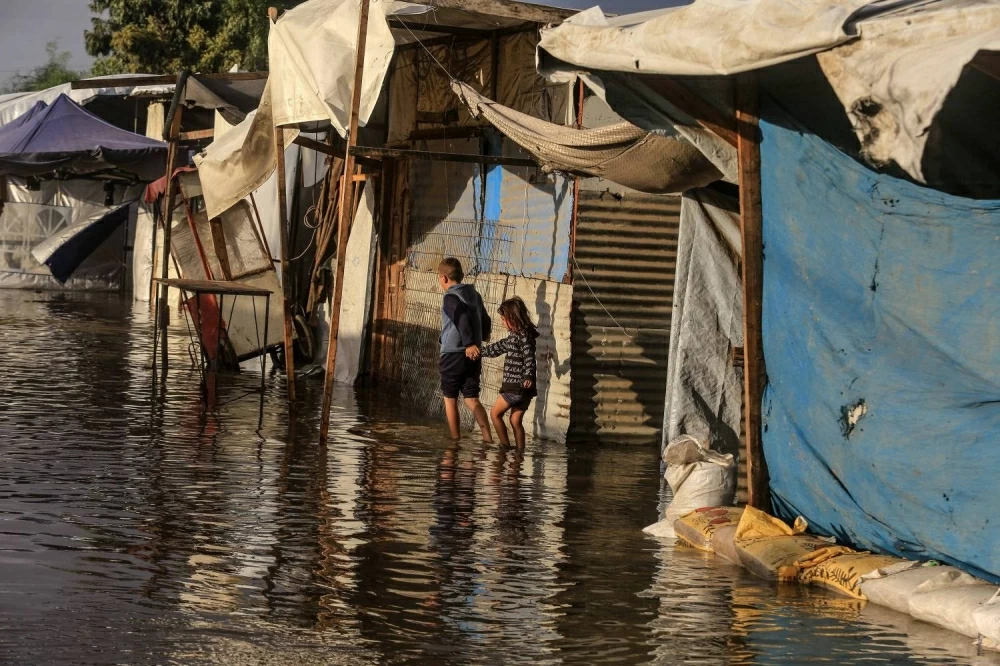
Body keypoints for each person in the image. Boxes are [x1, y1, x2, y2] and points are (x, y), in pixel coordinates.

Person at [437, 257, 493, 442]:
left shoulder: (450, 297)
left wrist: (468, 344)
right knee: (471, 398)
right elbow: (486, 319)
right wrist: (482, 337)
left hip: (454, 354)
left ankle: (455, 440)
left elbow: (460, 318)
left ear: (444, 278)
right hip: (473, 355)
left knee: (450, 398)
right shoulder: (475, 296)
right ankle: (487, 437)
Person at [475, 297, 539, 449]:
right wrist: (479, 352)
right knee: (515, 421)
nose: (502, 322)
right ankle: (519, 454)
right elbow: (497, 348)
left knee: (495, 414)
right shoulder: (517, 337)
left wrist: (528, 375)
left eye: (504, 319)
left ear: (513, 318)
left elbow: (529, 357)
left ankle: (504, 446)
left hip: (515, 386)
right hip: (525, 389)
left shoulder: (522, 336)